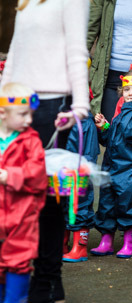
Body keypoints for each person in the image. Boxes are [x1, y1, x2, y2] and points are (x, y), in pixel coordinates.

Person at [1, 0, 90, 301]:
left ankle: (48, 280)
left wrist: (79, 106)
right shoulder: (25, 1)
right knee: (15, 191)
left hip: (51, 105)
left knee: (46, 194)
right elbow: (15, 52)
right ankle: (16, 273)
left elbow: (78, 51)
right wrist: (2, 98)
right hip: (16, 104)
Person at [91, 69, 132, 258]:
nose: (130, 93)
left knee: (129, 205)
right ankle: (106, 241)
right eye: (127, 90)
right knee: (106, 205)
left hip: (130, 169)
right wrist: (104, 127)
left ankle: (128, 243)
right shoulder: (122, 114)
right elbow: (111, 139)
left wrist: (128, 108)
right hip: (111, 166)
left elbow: (129, 132)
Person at [0, 83, 47, 302]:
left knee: (18, 260)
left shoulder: (31, 140)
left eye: (31, 114)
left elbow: (37, 174)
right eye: (23, 114)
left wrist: (10, 176)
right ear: (3, 112)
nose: (29, 120)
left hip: (22, 215)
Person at [62, 112, 100, 262]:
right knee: (62, 205)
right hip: (61, 171)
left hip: (79, 172)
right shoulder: (60, 119)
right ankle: (62, 244)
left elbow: (89, 153)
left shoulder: (86, 123)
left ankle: (80, 248)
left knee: (79, 206)